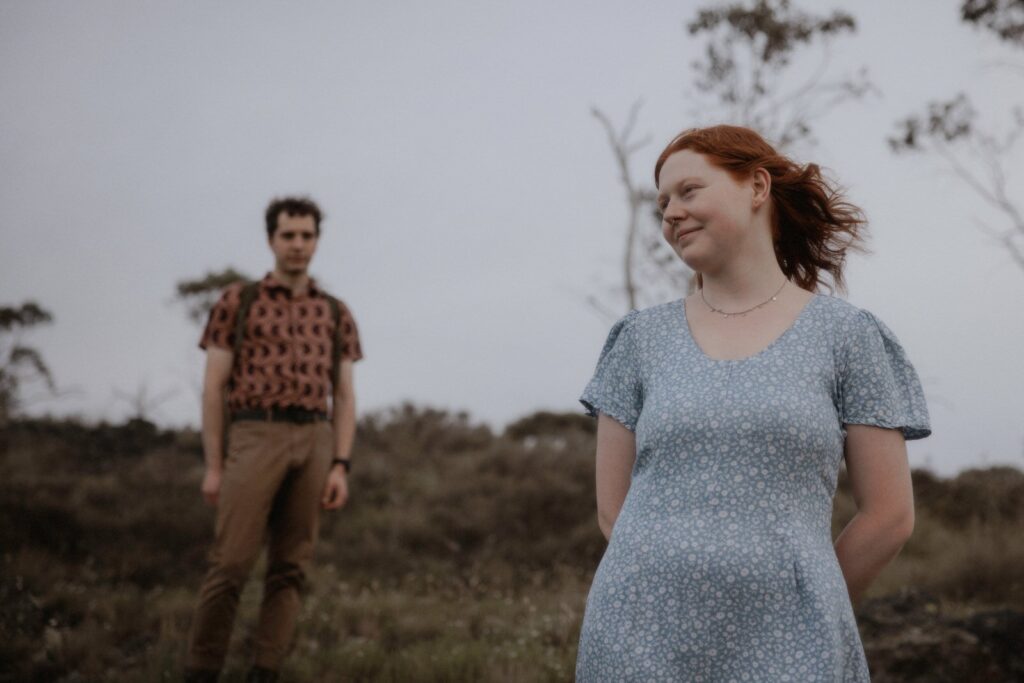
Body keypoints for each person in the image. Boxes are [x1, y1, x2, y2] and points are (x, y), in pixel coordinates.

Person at [575, 125, 931, 681]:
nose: (670, 213)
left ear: (757, 186)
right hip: (638, 641)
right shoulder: (639, 339)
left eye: (689, 191)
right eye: (663, 202)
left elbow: (889, 516)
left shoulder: (847, 336)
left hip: (792, 648)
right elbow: (612, 510)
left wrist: (806, 608)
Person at [183, 196, 363, 683]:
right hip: (254, 433)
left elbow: (345, 396)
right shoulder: (238, 302)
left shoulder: (335, 312)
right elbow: (213, 387)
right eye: (289, 235)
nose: (298, 245)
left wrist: (340, 464)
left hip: (315, 439)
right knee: (231, 565)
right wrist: (215, 464)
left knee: (290, 568)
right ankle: (201, 670)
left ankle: (266, 669)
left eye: (307, 236)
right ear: (271, 240)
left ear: (317, 241)